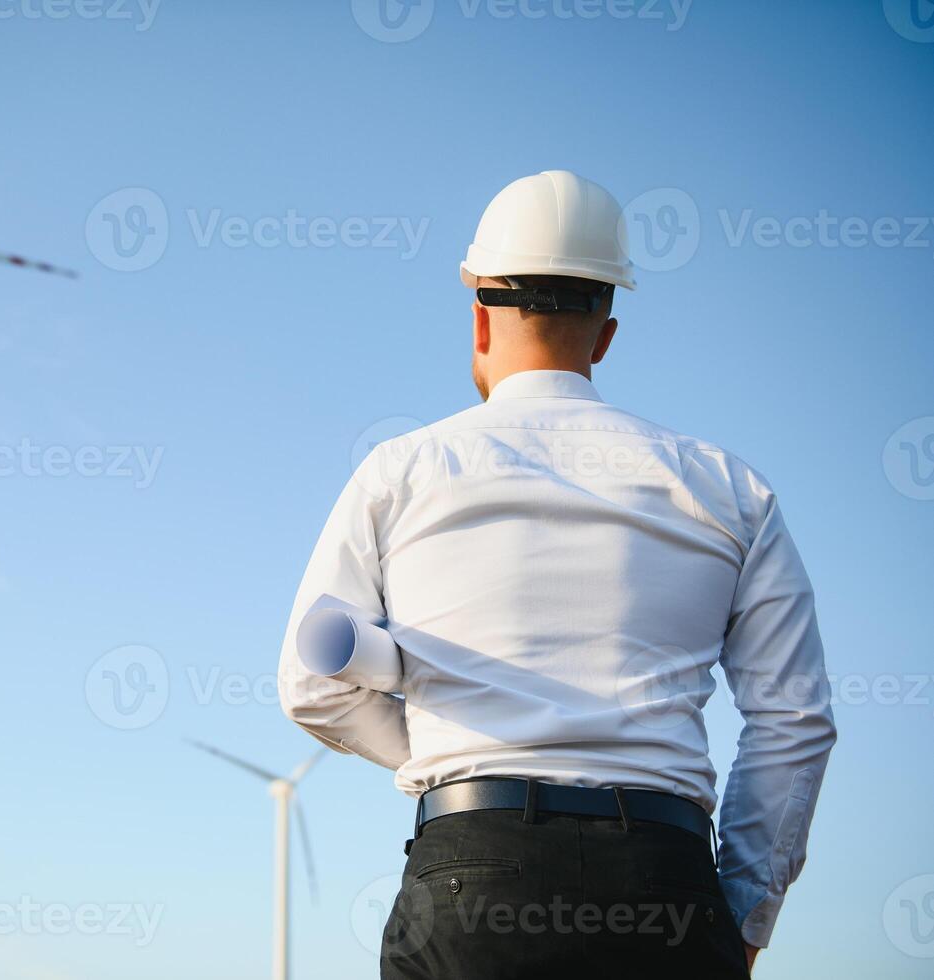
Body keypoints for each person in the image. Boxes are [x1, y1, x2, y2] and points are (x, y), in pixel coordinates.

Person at [277, 171, 836, 978]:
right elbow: (793, 720)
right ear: (605, 332)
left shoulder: (401, 470)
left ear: (479, 319)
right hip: (664, 884)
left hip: (471, 875)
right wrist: (744, 912)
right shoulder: (729, 487)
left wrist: (453, 751)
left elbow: (312, 685)